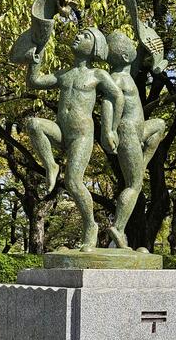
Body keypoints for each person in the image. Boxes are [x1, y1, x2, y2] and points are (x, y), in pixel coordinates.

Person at [24, 26, 123, 251]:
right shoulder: (64, 74)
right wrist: (36, 54)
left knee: (73, 182)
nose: (78, 36)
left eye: (85, 36)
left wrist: (110, 129)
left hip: (82, 135)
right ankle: (51, 165)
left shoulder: (98, 74)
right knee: (33, 123)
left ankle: (91, 227)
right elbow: (34, 81)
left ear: (95, 47)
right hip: (61, 129)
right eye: (79, 34)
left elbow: (117, 96)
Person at [100, 30, 166, 249]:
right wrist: (108, 130)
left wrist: (152, 53)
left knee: (159, 125)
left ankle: (143, 163)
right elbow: (108, 103)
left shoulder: (126, 73)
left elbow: (141, 57)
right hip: (128, 131)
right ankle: (118, 227)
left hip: (139, 129)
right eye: (131, 46)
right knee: (134, 184)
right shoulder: (117, 79)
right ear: (127, 56)